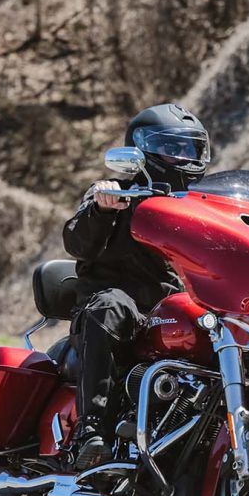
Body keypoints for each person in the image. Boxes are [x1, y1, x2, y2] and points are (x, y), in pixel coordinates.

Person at [62, 103, 211, 469]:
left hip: (174, 303)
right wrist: (101, 208)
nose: (181, 157)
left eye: (188, 149)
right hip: (118, 302)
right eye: (170, 147)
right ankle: (91, 431)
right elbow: (76, 242)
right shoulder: (116, 192)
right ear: (140, 149)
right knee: (109, 307)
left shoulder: (202, 204)